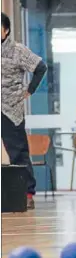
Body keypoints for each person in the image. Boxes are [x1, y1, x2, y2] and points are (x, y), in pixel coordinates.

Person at [1, 12, 47, 210]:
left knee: (18, 152)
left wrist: (30, 90)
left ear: (6, 30)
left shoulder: (18, 50)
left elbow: (41, 67)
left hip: (10, 109)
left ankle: (28, 193)